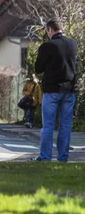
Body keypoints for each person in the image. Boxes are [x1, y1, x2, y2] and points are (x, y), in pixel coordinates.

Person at [32, 19, 77, 162]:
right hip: (69, 89)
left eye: (47, 31)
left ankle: (45, 157)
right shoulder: (73, 44)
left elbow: (38, 68)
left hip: (52, 90)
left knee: (48, 126)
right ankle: (63, 157)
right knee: (65, 126)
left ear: (50, 29)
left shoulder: (47, 46)